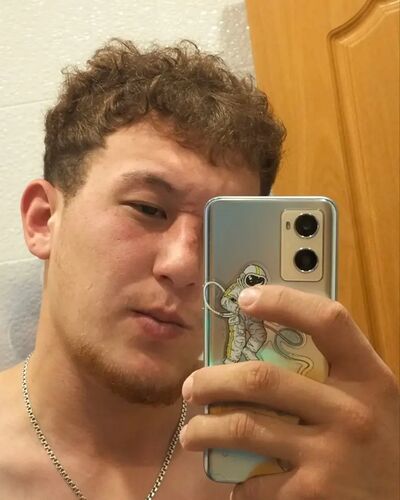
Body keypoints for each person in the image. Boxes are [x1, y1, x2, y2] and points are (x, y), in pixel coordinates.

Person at [0, 38, 398, 500]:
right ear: (42, 220)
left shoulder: (294, 465)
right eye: (148, 209)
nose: (185, 266)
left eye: (219, 233)